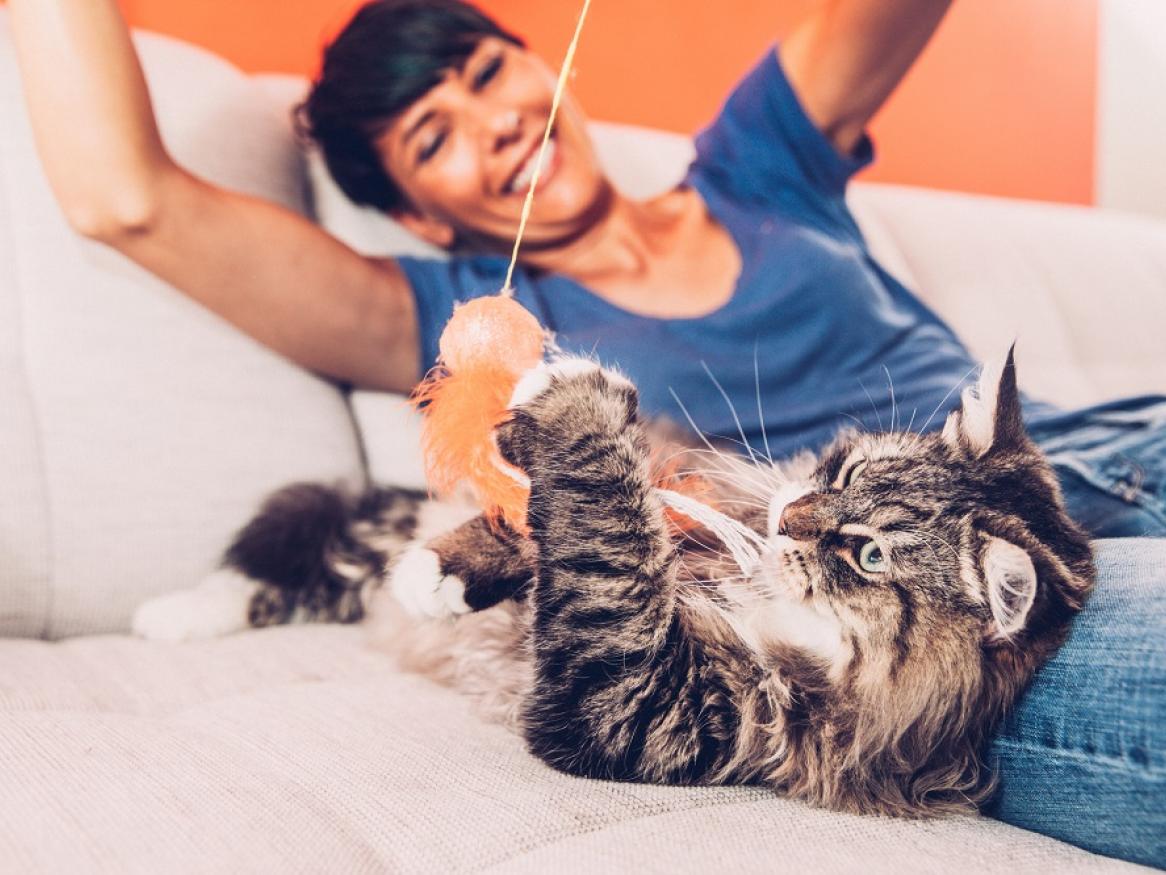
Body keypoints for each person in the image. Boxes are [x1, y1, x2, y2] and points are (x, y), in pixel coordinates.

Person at [9, 0, 1165, 865]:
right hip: (950, 602)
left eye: (484, 73)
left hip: (1083, 458)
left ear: (538, 61)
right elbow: (126, 198)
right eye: (435, 136)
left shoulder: (754, 166)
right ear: (415, 211)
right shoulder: (454, 317)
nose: (495, 124)